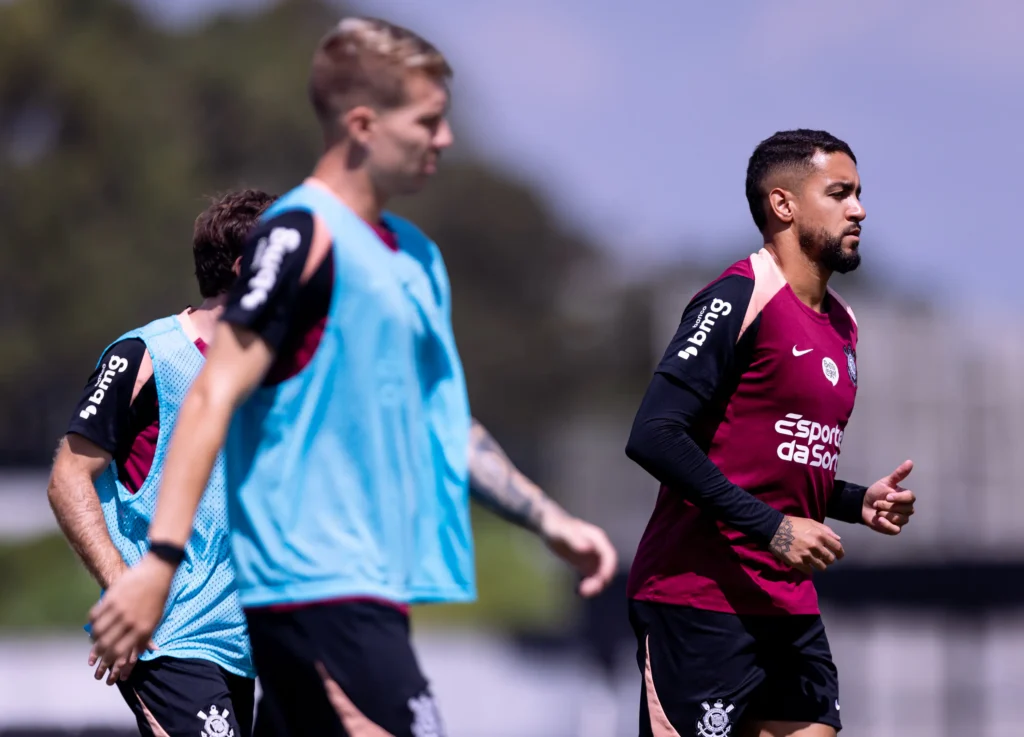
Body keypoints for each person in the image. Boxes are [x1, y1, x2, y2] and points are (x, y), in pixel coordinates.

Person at [86, 16, 617, 736]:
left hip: (372, 586)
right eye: (428, 120)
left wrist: (548, 518)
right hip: (309, 586)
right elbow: (215, 392)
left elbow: (445, 425)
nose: (445, 138)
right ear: (364, 124)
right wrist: (158, 563)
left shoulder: (417, 258)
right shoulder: (299, 234)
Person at [624, 129, 918, 737]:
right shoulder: (738, 297)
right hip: (698, 600)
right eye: (839, 193)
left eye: (859, 193)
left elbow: (771, 459)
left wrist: (853, 500)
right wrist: (775, 529)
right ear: (783, 205)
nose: (859, 209)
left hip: (787, 605)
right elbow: (654, 433)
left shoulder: (843, 324)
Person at [48, 189, 276, 736]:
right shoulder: (144, 355)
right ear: (246, 268)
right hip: (170, 639)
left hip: (244, 646)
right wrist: (124, 592)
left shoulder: (275, 370)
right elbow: (67, 477)